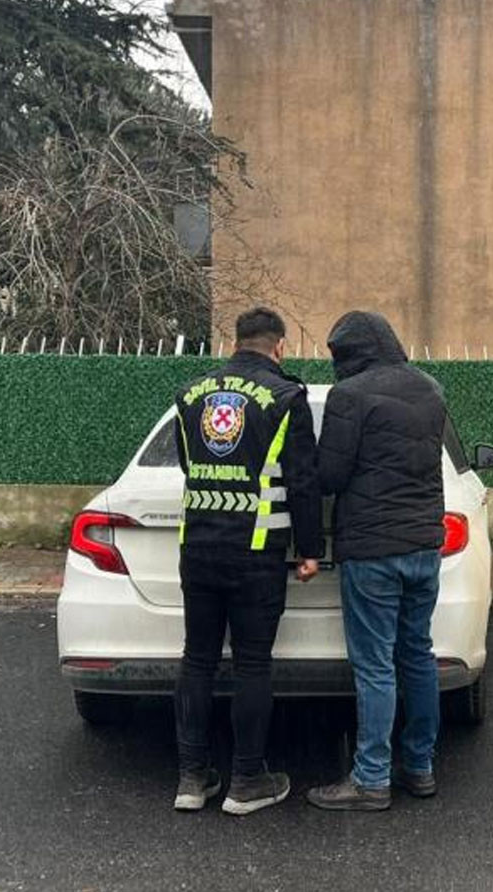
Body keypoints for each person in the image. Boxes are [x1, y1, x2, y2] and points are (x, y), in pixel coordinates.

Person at [171, 307, 323, 815]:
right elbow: (302, 480)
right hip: (255, 551)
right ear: (278, 346)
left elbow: (192, 466)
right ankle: (246, 780)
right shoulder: (285, 397)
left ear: (234, 342)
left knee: (198, 659)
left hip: (197, 547)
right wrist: (309, 550)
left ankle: (191, 779)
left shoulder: (190, 395)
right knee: (252, 663)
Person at [308, 311, 447, 812]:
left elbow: (330, 475)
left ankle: (370, 779)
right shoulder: (430, 389)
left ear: (350, 353)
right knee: (418, 655)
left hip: (372, 550)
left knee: (374, 666)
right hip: (424, 546)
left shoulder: (351, 396)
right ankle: (421, 766)